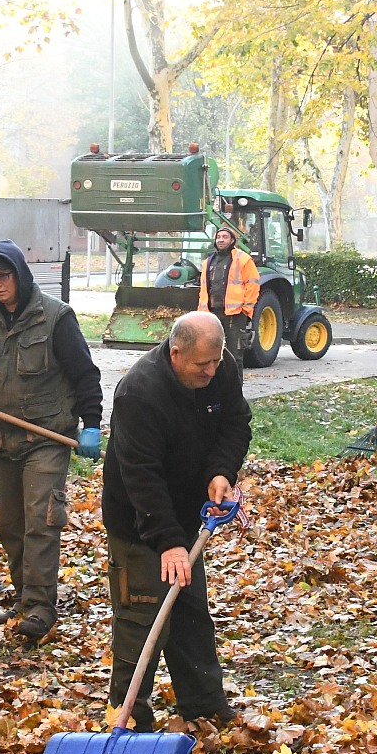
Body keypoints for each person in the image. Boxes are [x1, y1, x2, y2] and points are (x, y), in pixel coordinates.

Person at [102, 311, 251, 731]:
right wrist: (166, 540)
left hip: (187, 516)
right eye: (201, 364)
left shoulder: (222, 371)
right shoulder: (139, 392)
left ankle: (203, 702)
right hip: (138, 522)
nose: (211, 371)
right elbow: (140, 475)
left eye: (216, 361)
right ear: (175, 352)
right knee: (142, 615)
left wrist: (222, 472)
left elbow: (236, 423)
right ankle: (129, 716)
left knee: (189, 609)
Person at [0, 240, 104, 642]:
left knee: (41, 519)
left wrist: (91, 423)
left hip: (46, 436)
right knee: (11, 524)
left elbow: (86, 374)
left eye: (4, 276)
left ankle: (40, 605)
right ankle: (23, 597)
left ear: (20, 275)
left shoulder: (56, 318)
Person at [197, 224, 260, 368]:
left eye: (225, 237)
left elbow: (253, 283)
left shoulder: (243, 259)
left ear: (232, 241)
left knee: (234, 356)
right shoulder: (208, 262)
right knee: (211, 355)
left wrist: (246, 309)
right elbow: (204, 289)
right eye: (218, 237)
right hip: (211, 314)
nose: (220, 240)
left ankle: (236, 389)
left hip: (235, 315)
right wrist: (202, 313)